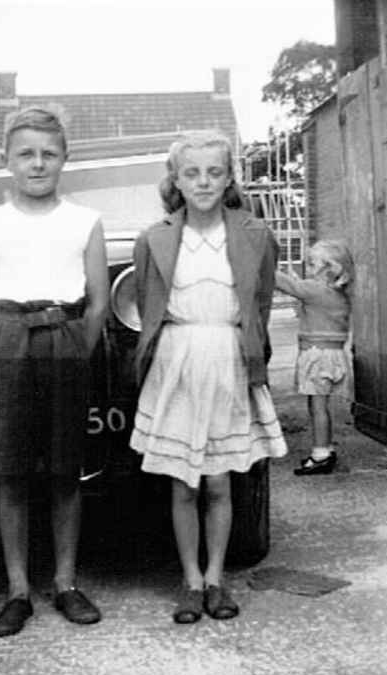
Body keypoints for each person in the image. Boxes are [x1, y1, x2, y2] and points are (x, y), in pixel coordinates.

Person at [130, 130, 287, 624]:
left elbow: (258, 303)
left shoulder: (254, 235)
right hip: (178, 359)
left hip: (226, 355)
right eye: (192, 172)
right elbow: (147, 302)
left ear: (229, 178)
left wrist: (250, 358)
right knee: (184, 484)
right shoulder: (153, 237)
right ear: (175, 179)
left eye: (214, 172)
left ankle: (217, 578)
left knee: (219, 482)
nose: (203, 181)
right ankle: (190, 581)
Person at [0, 107, 109, 637]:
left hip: (65, 339)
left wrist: (76, 347)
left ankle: (67, 583)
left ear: (64, 159)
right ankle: (17, 590)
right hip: (9, 339)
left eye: (48, 154)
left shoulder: (83, 221)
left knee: (63, 470)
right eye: (25, 154)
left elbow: (97, 301)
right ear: (8, 161)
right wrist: (3, 349)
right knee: (11, 472)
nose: (37, 164)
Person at [275, 239, 354, 475]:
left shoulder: (315, 290)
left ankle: (321, 454)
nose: (307, 268)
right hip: (332, 354)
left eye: (311, 263)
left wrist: (264, 261)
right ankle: (326, 448)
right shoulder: (337, 293)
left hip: (317, 356)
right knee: (320, 406)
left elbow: (288, 285)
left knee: (318, 407)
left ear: (329, 268)